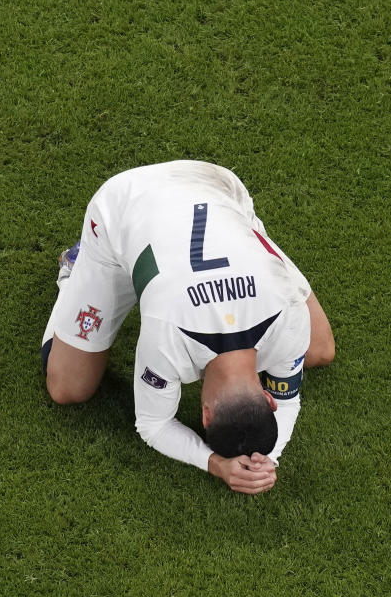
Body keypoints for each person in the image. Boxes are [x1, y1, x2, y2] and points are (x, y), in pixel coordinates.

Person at [40, 160, 334, 494]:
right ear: (205, 415)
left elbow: (290, 402)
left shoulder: (289, 324)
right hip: (127, 203)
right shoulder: (168, 336)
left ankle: (248, 238)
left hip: (217, 187)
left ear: (268, 398)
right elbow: (153, 425)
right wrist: (215, 463)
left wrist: (268, 461)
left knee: (319, 350)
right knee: (67, 387)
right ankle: (75, 272)